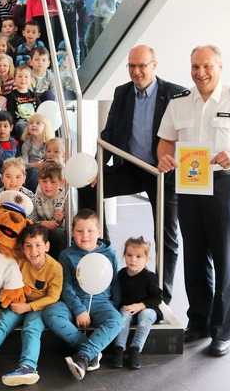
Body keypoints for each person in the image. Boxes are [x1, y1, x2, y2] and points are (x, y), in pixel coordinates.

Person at [157, 44, 230, 357]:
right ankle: (199, 322)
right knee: (194, 256)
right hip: (190, 184)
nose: (200, 73)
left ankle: (222, 331)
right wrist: (164, 157)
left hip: (224, 185)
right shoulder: (180, 102)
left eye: (206, 67)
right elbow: (166, 141)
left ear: (219, 66)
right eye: (195, 67)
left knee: (225, 259)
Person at [78, 44, 183, 304]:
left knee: (167, 234)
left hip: (162, 173)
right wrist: (96, 169)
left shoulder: (175, 94)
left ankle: (162, 296)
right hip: (131, 168)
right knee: (87, 188)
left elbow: (185, 136)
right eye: (132, 66)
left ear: (154, 65)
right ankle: (104, 253)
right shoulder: (122, 92)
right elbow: (109, 134)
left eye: (142, 66)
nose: (136, 72)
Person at [0, 225, 62, 387]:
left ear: (47, 246)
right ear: (22, 248)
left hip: (38, 307)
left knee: (32, 327)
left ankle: (28, 367)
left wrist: (28, 307)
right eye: (28, 246)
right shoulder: (19, 262)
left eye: (38, 245)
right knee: (3, 322)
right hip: (19, 301)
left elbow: (53, 297)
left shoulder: (55, 267)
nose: (33, 251)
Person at [42, 209, 122, 381]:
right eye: (79, 231)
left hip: (101, 302)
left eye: (90, 231)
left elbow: (114, 282)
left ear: (99, 232)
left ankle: (83, 356)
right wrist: (78, 310)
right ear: (72, 232)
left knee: (117, 321)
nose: (85, 235)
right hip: (73, 302)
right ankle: (90, 353)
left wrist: (115, 306)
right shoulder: (66, 255)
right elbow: (66, 286)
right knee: (50, 313)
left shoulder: (110, 254)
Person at [110, 236, 162, 370]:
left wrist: (140, 305)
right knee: (123, 314)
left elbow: (157, 298)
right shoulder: (121, 275)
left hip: (147, 308)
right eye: (129, 255)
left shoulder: (149, 277)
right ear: (124, 256)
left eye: (139, 257)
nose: (133, 260)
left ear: (146, 259)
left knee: (145, 316)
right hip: (128, 309)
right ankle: (119, 349)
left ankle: (135, 349)